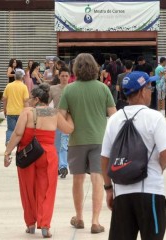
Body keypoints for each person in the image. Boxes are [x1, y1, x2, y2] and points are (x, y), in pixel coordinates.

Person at [101, 71, 166, 240]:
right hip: (151, 192)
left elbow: (104, 158)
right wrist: (159, 168)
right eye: (149, 87)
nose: (151, 91)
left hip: (122, 194)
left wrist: (108, 189)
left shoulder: (114, 119)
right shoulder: (155, 117)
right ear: (141, 91)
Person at [4, 83, 74, 238]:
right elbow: (69, 129)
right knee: (47, 189)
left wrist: (7, 152)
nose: (28, 100)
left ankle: (30, 224)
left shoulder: (27, 112)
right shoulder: (54, 113)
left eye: (30, 98)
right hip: (48, 154)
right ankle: (45, 226)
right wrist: (69, 113)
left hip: (27, 154)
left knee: (27, 189)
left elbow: (17, 134)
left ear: (36, 99)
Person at [58, 53, 116, 234]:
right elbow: (114, 115)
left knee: (78, 179)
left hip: (76, 140)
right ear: (94, 68)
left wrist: (69, 125)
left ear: (75, 69)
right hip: (99, 139)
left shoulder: (69, 89)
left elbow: (59, 114)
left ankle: (79, 217)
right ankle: (96, 221)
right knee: (97, 178)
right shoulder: (103, 88)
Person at [48, 67, 70, 178]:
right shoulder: (53, 89)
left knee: (63, 144)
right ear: (59, 76)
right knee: (56, 144)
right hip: (55, 120)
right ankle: (57, 166)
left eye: (66, 76)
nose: (64, 78)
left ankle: (63, 166)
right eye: (62, 76)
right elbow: (46, 103)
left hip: (67, 120)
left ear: (69, 77)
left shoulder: (72, 89)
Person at [3, 69, 29, 145]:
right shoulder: (24, 87)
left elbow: (4, 99)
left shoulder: (9, 86)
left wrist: (5, 109)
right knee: (21, 130)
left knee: (10, 129)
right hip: (21, 112)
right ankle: (20, 144)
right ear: (22, 77)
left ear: (14, 77)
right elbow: (26, 101)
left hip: (10, 112)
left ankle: (8, 141)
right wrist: (27, 111)